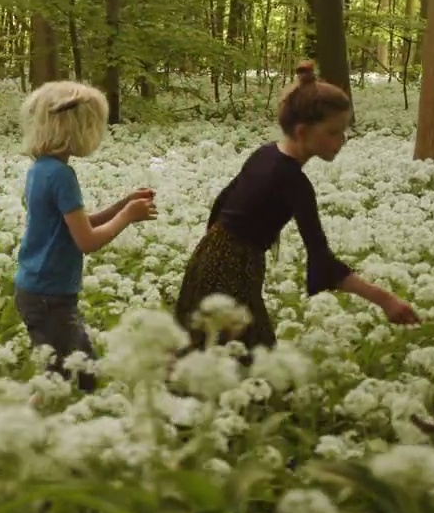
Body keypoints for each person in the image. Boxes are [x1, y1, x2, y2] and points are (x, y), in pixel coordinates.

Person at [173, 61, 420, 364]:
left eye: (343, 132)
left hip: (210, 256)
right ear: (302, 131)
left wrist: (215, 251)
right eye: (333, 132)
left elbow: (222, 205)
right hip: (232, 268)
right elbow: (322, 261)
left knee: (211, 352)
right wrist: (385, 300)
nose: (342, 140)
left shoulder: (265, 153)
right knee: (248, 360)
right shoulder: (294, 182)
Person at [14, 80, 158, 393]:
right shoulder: (62, 176)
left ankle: (75, 419)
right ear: (77, 129)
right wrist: (128, 216)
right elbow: (87, 241)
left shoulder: (41, 168)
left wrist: (122, 204)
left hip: (37, 288)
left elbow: (74, 225)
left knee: (82, 371)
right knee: (63, 379)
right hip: (50, 296)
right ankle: (22, 430)